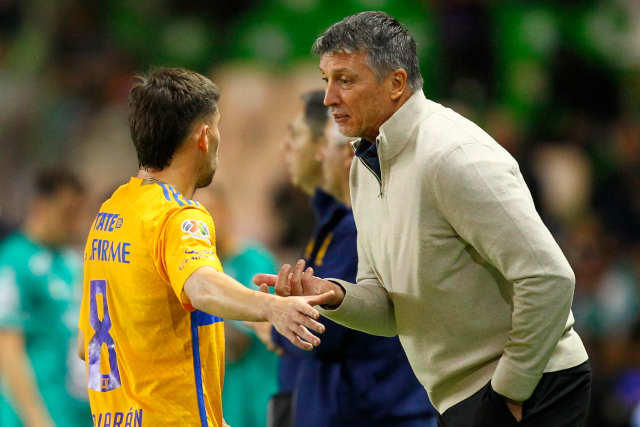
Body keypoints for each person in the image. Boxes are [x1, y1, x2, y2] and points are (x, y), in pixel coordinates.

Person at [255, 12, 591, 427]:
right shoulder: (365, 166)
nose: (328, 98)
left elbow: (549, 278)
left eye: (345, 80)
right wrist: (333, 294)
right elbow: (390, 310)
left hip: (531, 388)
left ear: (396, 84)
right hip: (469, 397)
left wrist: (508, 390)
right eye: (326, 80)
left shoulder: (452, 155)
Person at [76, 67, 335, 427]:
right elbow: (199, 284)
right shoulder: (179, 216)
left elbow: (85, 344)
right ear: (203, 136)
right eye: (218, 127)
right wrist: (271, 307)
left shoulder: (109, 215)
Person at [259, 90, 438, 427]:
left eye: (323, 142)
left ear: (347, 155)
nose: (316, 153)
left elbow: (324, 330)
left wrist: (279, 325)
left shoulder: (361, 229)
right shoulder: (332, 224)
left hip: (378, 416)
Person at [0, 169, 91, 427]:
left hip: (74, 414)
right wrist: (35, 419)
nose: (75, 223)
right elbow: (7, 350)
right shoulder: (13, 261)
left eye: (78, 214)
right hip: (37, 416)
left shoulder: (72, 262)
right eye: (67, 214)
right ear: (41, 206)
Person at [195, 187, 280, 427]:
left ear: (225, 213)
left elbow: (236, 343)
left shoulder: (253, 261)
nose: (202, 226)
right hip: (222, 406)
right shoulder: (200, 274)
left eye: (209, 214)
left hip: (256, 401)